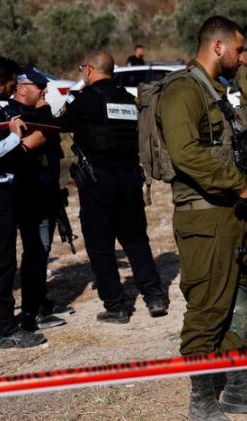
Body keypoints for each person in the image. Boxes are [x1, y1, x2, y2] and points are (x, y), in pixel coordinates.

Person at [155, 16, 247, 421]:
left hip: (231, 215)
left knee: (237, 301)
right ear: (218, 46)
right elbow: (185, 153)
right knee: (208, 307)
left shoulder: (216, 91)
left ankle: (237, 387)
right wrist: (238, 182)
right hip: (204, 218)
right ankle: (202, 400)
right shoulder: (182, 90)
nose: (241, 57)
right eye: (237, 49)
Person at [53, 50, 167, 324]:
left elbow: (58, 123)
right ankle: (154, 297)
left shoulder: (83, 100)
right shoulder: (128, 99)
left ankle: (115, 306)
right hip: (129, 179)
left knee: (100, 246)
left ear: (90, 69)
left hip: (98, 183)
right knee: (136, 241)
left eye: (82, 68)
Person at [5, 67, 75, 332]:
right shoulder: (12, 113)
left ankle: (39, 302)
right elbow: (35, 140)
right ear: (22, 88)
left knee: (40, 251)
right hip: (25, 194)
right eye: (39, 86)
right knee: (33, 252)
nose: (44, 91)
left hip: (45, 191)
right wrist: (45, 112)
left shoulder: (36, 111)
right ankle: (30, 312)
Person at [0, 55, 46, 348]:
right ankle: (5, 329)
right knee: (1, 263)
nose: (15, 89)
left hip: (1, 193)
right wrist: (14, 138)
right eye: (12, 84)